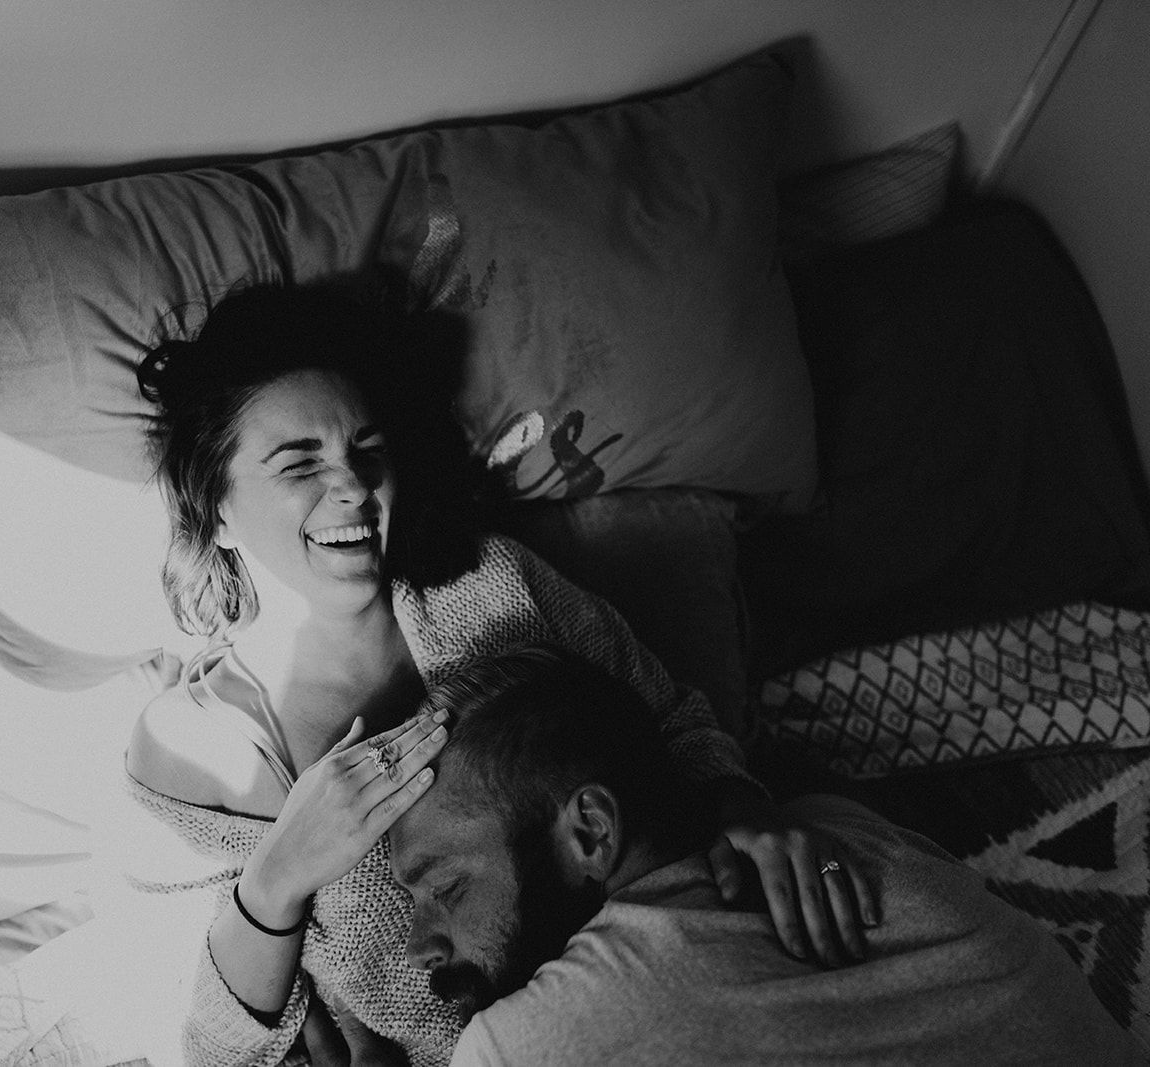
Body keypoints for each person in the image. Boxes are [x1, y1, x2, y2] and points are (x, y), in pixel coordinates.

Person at [123, 278, 879, 1067]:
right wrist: (277, 879)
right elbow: (204, 1044)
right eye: (299, 462)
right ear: (214, 506)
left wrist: (745, 804)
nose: (352, 485)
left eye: (366, 449)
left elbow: (670, 725)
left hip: (676, 994)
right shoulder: (193, 749)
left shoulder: (493, 587)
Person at [388, 643, 1141, 1066]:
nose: (418, 944)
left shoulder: (522, 1046)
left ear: (590, 829)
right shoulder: (842, 831)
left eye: (447, 886)